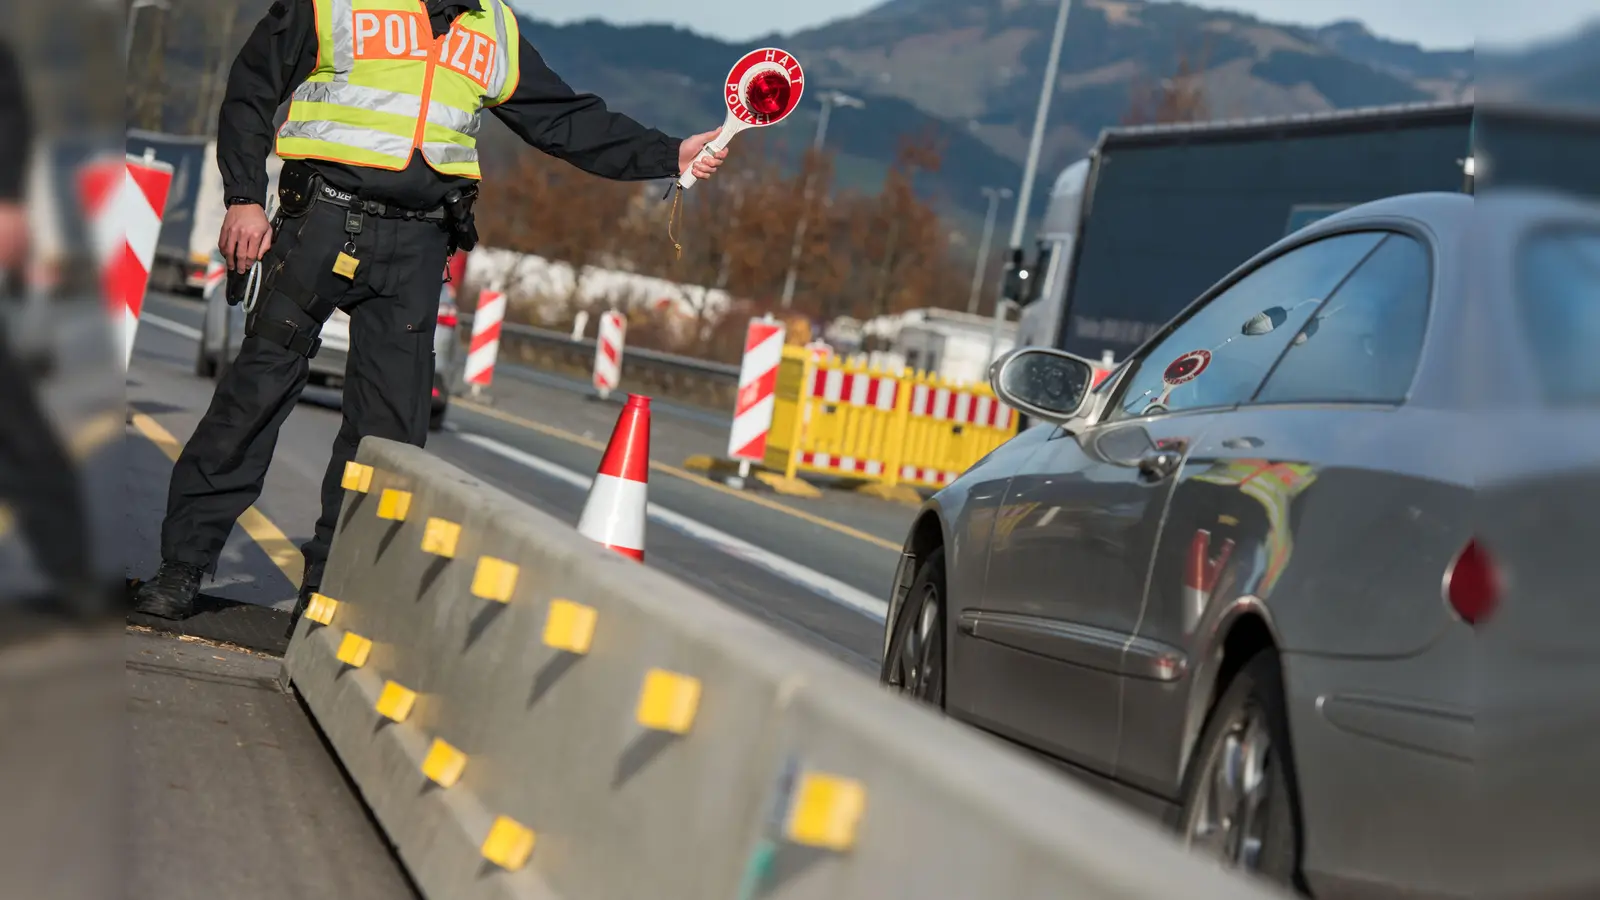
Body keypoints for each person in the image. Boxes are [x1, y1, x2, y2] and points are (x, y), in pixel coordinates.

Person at [132, 0, 726, 626]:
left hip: (419, 245)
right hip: (322, 221)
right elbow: (252, 88)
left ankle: (333, 589)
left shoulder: (492, 26)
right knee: (253, 396)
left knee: (388, 437)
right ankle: (182, 567)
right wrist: (245, 196)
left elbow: (567, 121)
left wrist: (671, 154)